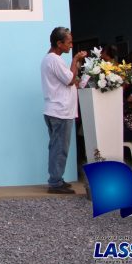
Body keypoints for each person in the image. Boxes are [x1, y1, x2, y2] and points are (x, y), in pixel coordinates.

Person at [41, 26, 87, 194]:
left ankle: (57, 178)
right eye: (68, 42)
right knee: (59, 147)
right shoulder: (54, 60)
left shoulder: (50, 59)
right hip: (59, 111)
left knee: (57, 146)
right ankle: (55, 182)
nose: (71, 45)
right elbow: (69, 79)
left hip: (56, 110)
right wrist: (75, 60)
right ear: (59, 43)